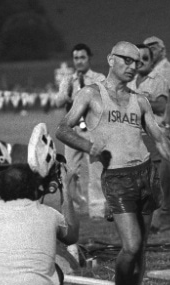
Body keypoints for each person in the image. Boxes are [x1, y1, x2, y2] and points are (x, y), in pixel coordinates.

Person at [56, 41, 170, 285]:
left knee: (141, 250)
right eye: (127, 60)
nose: (133, 67)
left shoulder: (140, 99)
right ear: (111, 59)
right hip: (117, 179)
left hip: (146, 174)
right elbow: (63, 129)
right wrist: (90, 146)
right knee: (132, 244)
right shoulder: (90, 94)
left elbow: (157, 133)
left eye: (137, 62)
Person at [55, 43, 107, 218]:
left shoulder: (99, 78)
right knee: (70, 172)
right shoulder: (68, 80)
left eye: (82, 57)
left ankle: (97, 210)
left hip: (92, 130)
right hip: (73, 131)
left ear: (88, 58)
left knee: (95, 171)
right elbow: (58, 103)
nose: (79, 61)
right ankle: (75, 208)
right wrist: (67, 90)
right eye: (76, 58)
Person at [144, 36, 170, 231]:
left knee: (165, 169)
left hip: (164, 126)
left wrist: (167, 124)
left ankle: (168, 210)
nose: (150, 51)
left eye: (153, 47)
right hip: (156, 126)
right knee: (160, 169)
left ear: (162, 49)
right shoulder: (154, 70)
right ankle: (165, 208)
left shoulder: (167, 70)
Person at [129, 43, 170, 209]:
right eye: (138, 59)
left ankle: (155, 223)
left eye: (145, 58)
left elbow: (161, 106)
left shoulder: (158, 80)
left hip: (151, 135)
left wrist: (137, 101)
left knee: (152, 182)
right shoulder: (129, 81)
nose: (141, 62)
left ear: (152, 61)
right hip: (132, 136)